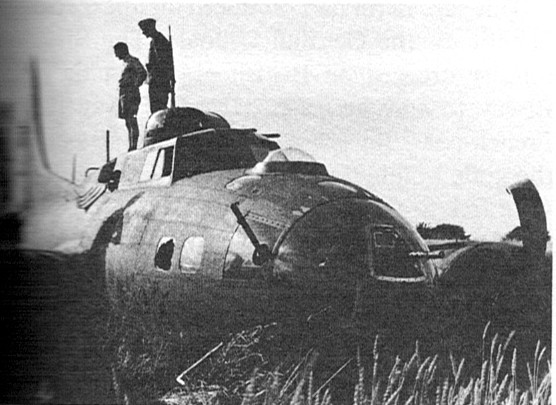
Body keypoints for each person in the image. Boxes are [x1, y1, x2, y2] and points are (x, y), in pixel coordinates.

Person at [113, 42, 147, 151]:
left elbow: (142, 73)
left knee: (132, 119)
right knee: (127, 121)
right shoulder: (125, 63)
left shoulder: (132, 61)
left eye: (117, 52)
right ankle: (131, 144)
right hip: (124, 94)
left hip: (130, 93)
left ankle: (133, 145)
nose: (116, 55)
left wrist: (135, 85)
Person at [138, 18, 175, 114]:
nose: (143, 33)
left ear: (150, 28)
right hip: (157, 81)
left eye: (144, 30)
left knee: (158, 111)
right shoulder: (156, 40)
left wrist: (151, 69)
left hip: (159, 82)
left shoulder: (159, 41)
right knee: (157, 110)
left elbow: (163, 63)